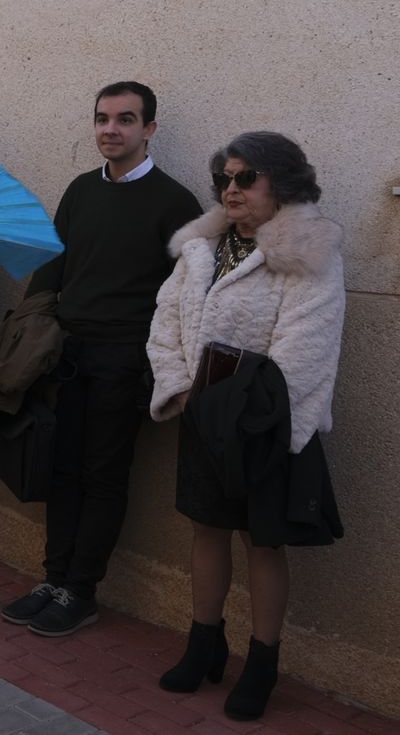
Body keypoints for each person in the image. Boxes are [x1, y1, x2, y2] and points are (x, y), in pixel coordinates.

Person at [145, 132, 344, 721]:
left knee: (263, 542)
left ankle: (263, 662)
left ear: (280, 183)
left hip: (265, 429)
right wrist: (180, 390)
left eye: (245, 178)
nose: (231, 189)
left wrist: (248, 418)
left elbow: (306, 350)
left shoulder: (307, 252)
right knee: (206, 529)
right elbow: (165, 321)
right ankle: (205, 642)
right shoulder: (201, 249)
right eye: (225, 179)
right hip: (200, 419)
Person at [1, 81, 203, 636]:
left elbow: (187, 294)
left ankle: (81, 591)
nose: (110, 129)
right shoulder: (80, 190)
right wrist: (29, 334)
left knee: (103, 475)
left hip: (125, 361)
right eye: (102, 119)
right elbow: (53, 268)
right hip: (66, 354)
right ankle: (54, 578)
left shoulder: (176, 203)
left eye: (125, 119)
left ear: (149, 130)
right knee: (62, 469)